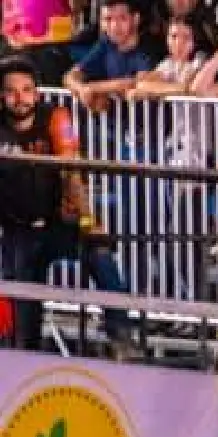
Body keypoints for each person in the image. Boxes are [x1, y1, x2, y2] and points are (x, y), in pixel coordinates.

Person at [0, 55, 132, 353]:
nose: (20, 98)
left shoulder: (57, 117)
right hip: (17, 233)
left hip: (58, 224)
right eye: (11, 91)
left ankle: (121, 332)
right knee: (24, 327)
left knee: (99, 252)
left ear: (37, 92)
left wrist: (88, 221)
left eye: (26, 90)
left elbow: (72, 172)